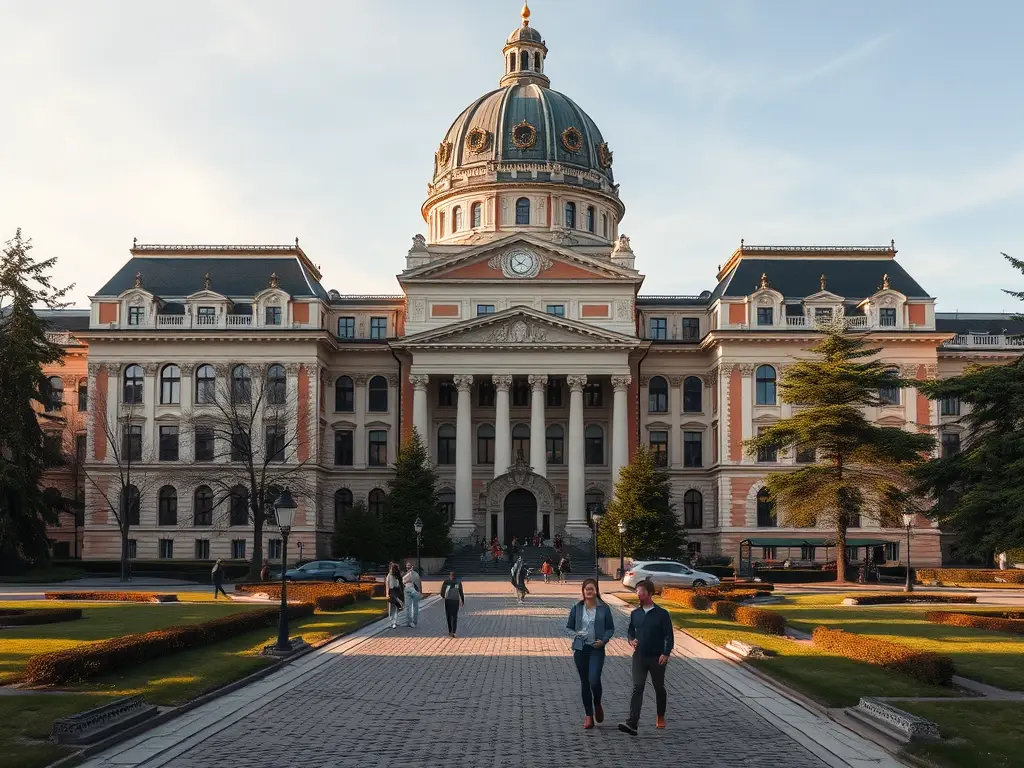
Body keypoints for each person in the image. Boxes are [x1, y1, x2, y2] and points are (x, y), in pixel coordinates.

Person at [618, 579, 674, 735]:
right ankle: (632, 722)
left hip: (657, 657)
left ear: (649, 593)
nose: (638, 593)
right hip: (640, 657)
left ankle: (660, 715)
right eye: (637, 591)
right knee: (637, 687)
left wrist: (666, 653)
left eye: (641, 591)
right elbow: (630, 631)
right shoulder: (635, 613)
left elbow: (669, 636)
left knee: (659, 687)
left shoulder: (662, 614)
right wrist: (631, 640)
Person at [566, 578, 615, 729]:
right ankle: (589, 715)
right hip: (581, 649)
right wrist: (575, 635)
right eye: (587, 589)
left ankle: (597, 703)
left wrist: (604, 641)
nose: (589, 591)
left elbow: (610, 628)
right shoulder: (577, 608)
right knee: (585, 682)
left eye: (592, 589)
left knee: (594, 680)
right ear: (583, 591)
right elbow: (569, 627)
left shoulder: (604, 608)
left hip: (596, 648)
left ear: (596, 591)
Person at [441, 570, 465, 637]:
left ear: (450, 575)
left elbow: (442, 593)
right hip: (455, 600)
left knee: (448, 615)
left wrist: (444, 596)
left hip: (448, 600)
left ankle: (450, 631)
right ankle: (454, 631)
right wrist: (462, 601)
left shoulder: (446, 582)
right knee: (454, 616)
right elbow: (461, 592)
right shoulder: (458, 582)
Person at [403, 561, 422, 628]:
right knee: (408, 606)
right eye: (407, 565)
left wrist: (420, 592)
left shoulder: (415, 574)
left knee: (414, 606)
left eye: (409, 565)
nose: (408, 566)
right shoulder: (404, 574)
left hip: (413, 591)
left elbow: (419, 582)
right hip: (408, 591)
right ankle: (409, 621)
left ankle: (414, 621)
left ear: (411, 566)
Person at [386, 562, 404, 629]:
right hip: (393, 592)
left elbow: (390, 586)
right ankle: (393, 622)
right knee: (393, 608)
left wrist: (387, 594)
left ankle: (393, 622)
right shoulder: (391, 576)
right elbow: (389, 586)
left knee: (393, 608)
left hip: (394, 592)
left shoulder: (394, 576)